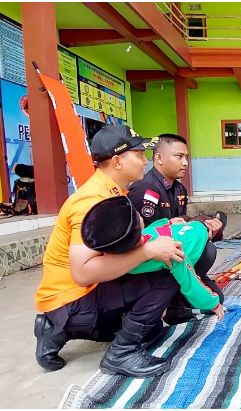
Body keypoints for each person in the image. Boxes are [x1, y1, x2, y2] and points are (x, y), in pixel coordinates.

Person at [33, 125, 184, 377]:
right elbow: (82, 273)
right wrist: (149, 252)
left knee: (154, 328)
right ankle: (121, 354)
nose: (145, 160)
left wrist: (165, 226)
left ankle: (55, 329)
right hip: (74, 297)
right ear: (117, 161)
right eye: (138, 154)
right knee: (166, 273)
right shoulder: (92, 202)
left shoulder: (114, 191)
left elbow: (125, 245)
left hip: (81, 296)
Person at [81, 196, 225, 319]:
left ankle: (214, 221)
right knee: (214, 230)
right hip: (196, 231)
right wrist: (213, 303)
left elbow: (156, 227)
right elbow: (189, 279)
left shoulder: (113, 252)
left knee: (212, 222)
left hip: (190, 227)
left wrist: (168, 222)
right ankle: (214, 222)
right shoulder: (167, 250)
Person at [128, 134, 225, 242]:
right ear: (159, 158)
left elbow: (181, 224)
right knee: (207, 251)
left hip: (174, 244)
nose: (185, 163)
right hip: (153, 251)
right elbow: (145, 235)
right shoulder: (146, 189)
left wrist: (207, 228)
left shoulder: (180, 189)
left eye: (186, 157)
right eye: (179, 156)